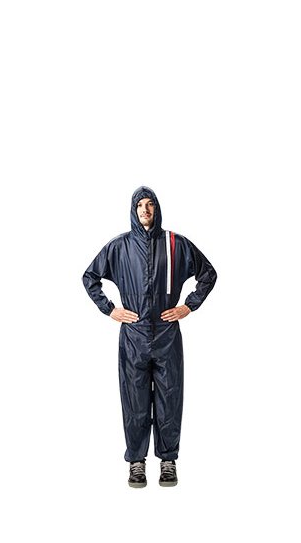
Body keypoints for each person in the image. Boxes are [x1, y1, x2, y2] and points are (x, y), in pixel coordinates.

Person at [83, 186, 217, 488]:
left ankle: (168, 460)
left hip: (167, 333)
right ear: (133, 211)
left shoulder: (175, 244)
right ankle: (137, 462)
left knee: (170, 396)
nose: (145, 209)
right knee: (135, 400)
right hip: (134, 335)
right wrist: (110, 309)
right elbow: (90, 277)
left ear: (157, 208)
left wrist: (188, 306)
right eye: (140, 205)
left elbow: (208, 274)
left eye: (150, 204)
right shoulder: (119, 247)